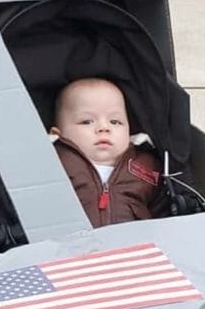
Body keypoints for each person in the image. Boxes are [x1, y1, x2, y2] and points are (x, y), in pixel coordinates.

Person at [50, 77, 164, 227]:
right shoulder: (52, 162)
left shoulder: (148, 166)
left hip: (133, 239)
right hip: (71, 239)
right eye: (87, 121)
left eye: (115, 122)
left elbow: (163, 213)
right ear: (57, 134)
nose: (104, 128)